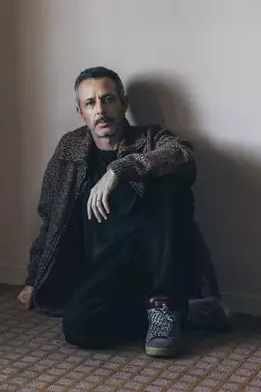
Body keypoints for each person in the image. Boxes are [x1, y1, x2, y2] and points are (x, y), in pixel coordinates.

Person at [17, 66, 230, 357]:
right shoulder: (70, 148)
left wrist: (120, 170)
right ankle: (180, 313)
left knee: (170, 186)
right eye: (90, 103)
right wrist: (33, 278)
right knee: (78, 326)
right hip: (104, 270)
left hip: (154, 265)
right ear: (80, 112)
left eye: (108, 99)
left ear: (124, 104)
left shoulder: (150, 138)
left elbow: (182, 156)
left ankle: (165, 302)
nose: (100, 110)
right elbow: (50, 216)